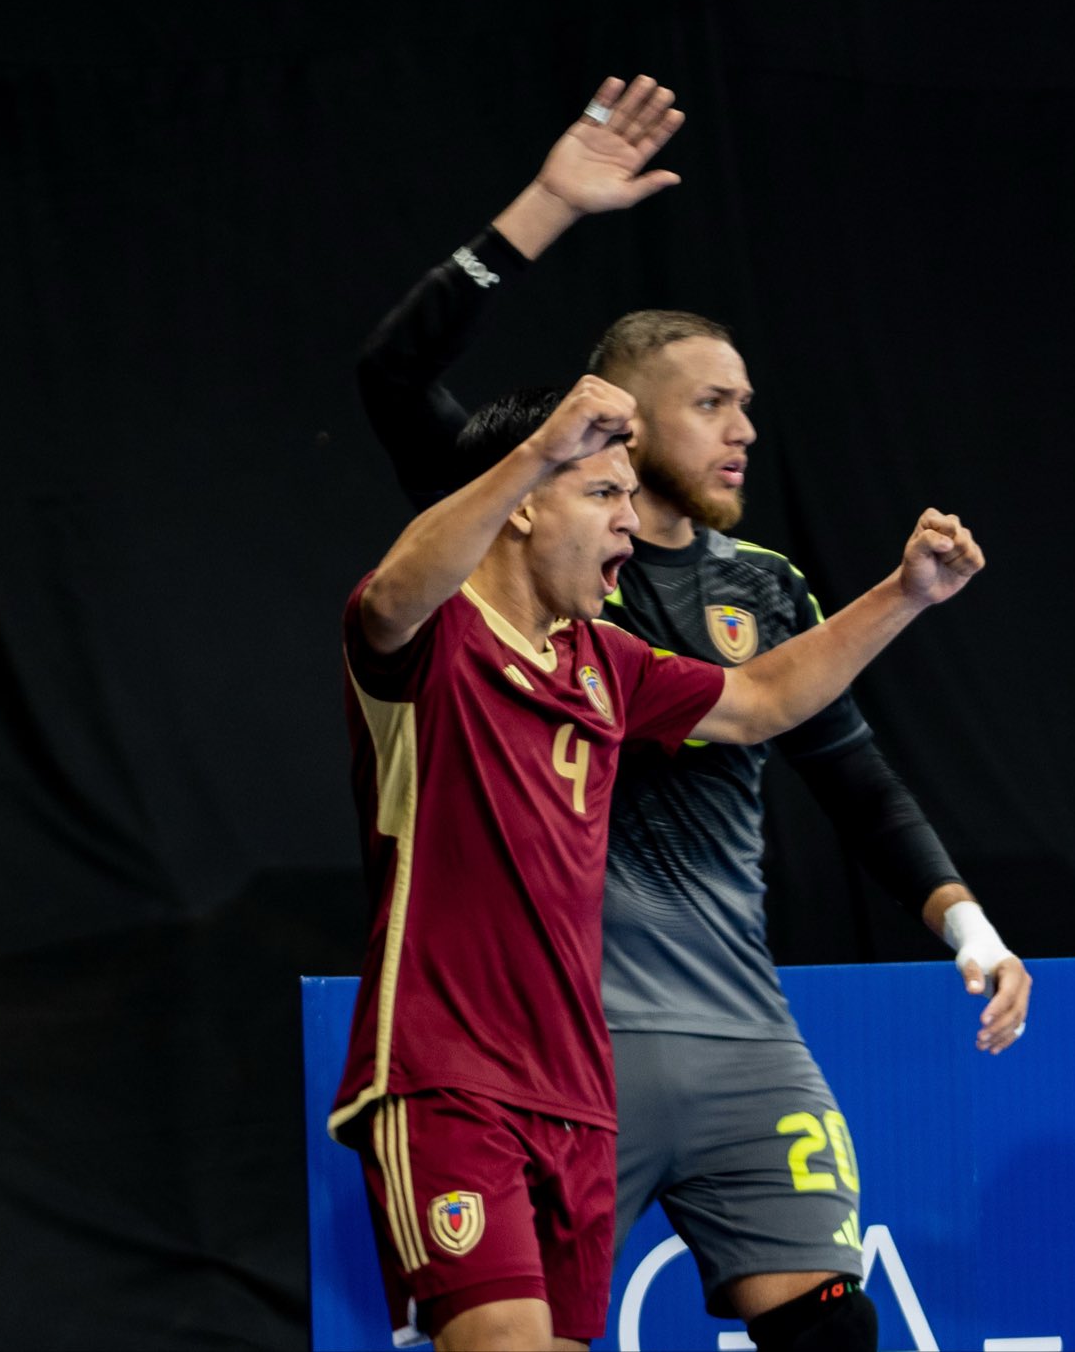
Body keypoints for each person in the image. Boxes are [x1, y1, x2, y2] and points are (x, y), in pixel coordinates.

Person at [356, 76, 1033, 1350]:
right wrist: (549, 208)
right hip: (539, 1039)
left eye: (748, 406)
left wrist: (967, 922)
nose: (742, 431)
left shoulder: (737, 600)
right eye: (712, 402)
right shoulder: (490, 576)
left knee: (831, 1326)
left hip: (731, 1031)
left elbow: (814, 734)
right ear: (602, 416)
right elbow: (392, 379)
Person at [331, 374, 983, 1351]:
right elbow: (388, 596)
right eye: (600, 495)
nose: (628, 527)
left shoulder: (603, 660)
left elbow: (759, 698)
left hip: (580, 1093)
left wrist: (905, 595)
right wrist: (537, 448)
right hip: (447, 1075)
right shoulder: (434, 640)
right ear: (520, 509)